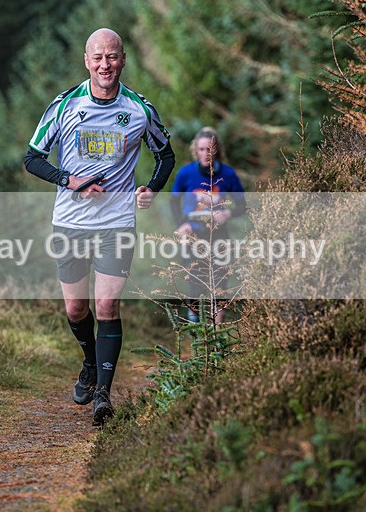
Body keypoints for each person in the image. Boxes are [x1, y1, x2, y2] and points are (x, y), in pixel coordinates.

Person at [24, 28, 176, 425]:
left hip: (116, 223)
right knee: (76, 308)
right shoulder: (64, 105)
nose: (105, 65)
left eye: (112, 57)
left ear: (123, 59)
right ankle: (90, 362)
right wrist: (69, 180)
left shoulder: (139, 109)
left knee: (107, 305)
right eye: (98, 57)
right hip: (70, 223)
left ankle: (103, 395)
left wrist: (151, 188)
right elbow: (32, 158)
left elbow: (166, 156)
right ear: (87, 61)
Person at [169, 126, 245, 323]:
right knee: (195, 282)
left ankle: (217, 332)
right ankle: (195, 330)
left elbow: (242, 204)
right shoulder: (186, 173)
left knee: (220, 281)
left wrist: (228, 213)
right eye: (201, 149)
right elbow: (173, 201)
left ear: (216, 150)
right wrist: (181, 224)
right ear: (196, 150)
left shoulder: (228, 174)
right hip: (193, 234)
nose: (205, 154)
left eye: (209, 149)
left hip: (218, 233)